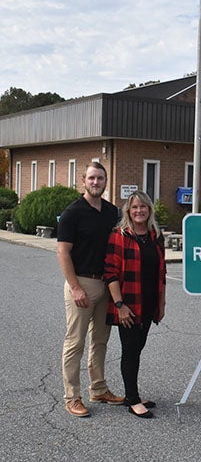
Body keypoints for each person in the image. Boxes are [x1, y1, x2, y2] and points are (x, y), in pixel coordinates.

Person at [57, 162, 125, 417]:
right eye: (92, 178)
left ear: (106, 182)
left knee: (100, 340)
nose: (96, 182)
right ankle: (72, 396)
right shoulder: (72, 213)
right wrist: (75, 288)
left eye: (100, 178)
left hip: (106, 285)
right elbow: (63, 252)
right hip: (81, 283)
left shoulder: (112, 212)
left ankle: (98, 388)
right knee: (75, 342)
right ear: (83, 181)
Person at [104, 191, 166, 419]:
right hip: (128, 305)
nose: (139, 211)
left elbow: (162, 273)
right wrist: (119, 305)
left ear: (149, 210)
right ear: (127, 212)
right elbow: (110, 273)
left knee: (137, 349)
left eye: (143, 207)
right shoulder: (119, 235)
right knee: (130, 351)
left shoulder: (156, 236)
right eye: (134, 208)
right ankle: (133, 399)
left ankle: (133, 393)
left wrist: (162, 303)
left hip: (148, 303)